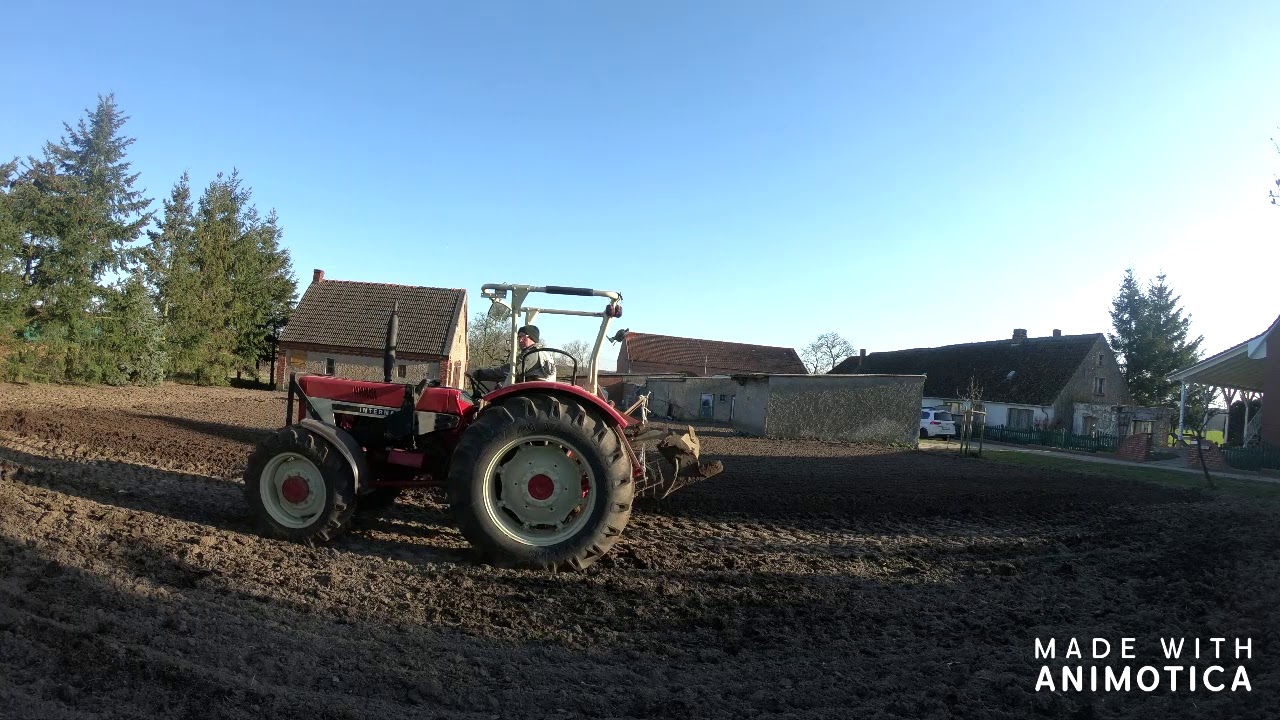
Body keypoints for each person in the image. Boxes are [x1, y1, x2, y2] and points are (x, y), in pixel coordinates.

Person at [473, 325, 557, 386]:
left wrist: (480, 373)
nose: (520, 340)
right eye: (519, 337)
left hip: (533, 391)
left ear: (532, 338)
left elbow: (510, 371)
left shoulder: (531, 354)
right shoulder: (543, 353)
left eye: (523, 337)